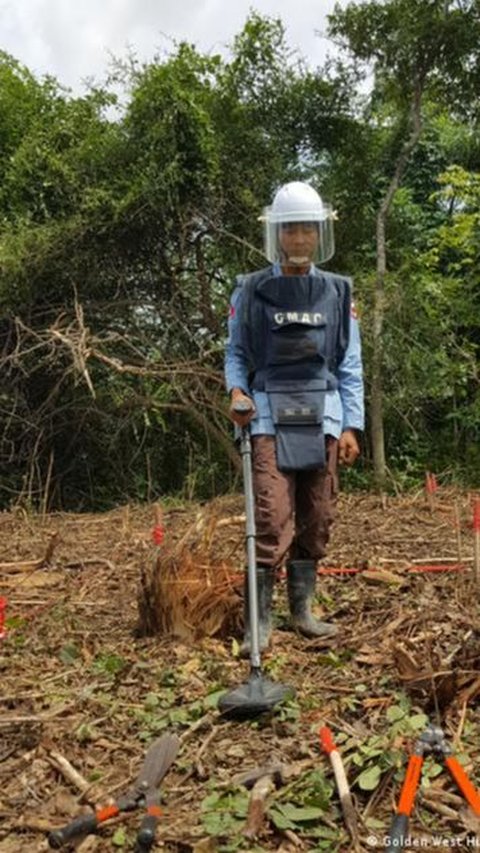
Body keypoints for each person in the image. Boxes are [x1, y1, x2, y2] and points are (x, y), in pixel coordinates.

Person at [224, 181, 364, 655]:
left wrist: (350, 425)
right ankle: (258, 624)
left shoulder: (338, 293)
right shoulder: (250, 290)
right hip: (266, 415)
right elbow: (236, 354)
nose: (300, 238)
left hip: (323, 414)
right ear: (277, 235)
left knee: (318, 514)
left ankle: (302, 611)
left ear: (319, 233)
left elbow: (349, 365)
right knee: (271, 514)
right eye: (291, 230)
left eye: (308, 229)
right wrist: (237, 391)